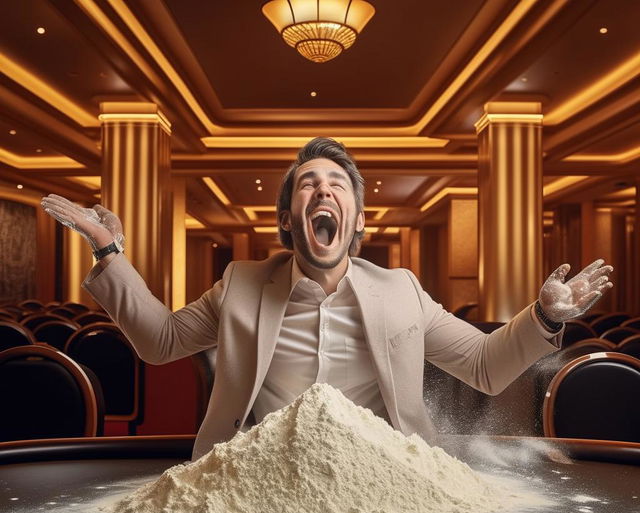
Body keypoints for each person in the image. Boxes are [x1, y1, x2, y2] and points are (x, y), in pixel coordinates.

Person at [41, 137, 613, 460]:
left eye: (337, 184)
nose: (323, 190)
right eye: (308, 184)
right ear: (289, 220)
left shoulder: (402, 291)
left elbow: (487, 367)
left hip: (387, 476)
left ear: (358, 219)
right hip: (257, 477)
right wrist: (108, 251)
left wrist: (542, 316)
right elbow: (160, 342)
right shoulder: (242, 283)